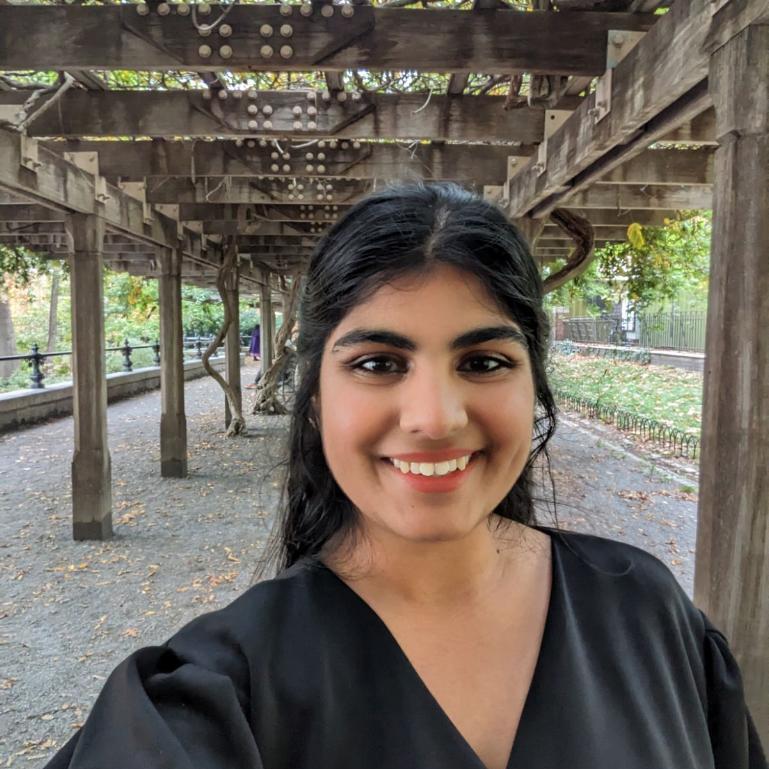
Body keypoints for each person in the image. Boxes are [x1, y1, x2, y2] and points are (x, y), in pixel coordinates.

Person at [43, 183, 766, 769]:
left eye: (483, 362)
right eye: (377, 363)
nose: (434, 418)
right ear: (316, 397)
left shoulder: (649, 615)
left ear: (535, 388)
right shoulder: (217, 694)